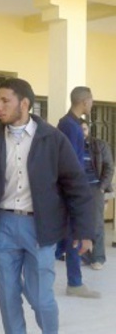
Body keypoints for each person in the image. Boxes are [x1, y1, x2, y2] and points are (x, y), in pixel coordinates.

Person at [0, 78, 94, 334]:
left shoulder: (53, 139)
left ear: (24, 103)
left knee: (41, 299)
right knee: (7, 296)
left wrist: (84, 230)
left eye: (5, 101)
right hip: (2, 227)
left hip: (40, 227)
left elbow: (76, 187)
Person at [56, 86, 101, 298]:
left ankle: (74, 281)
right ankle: (74, 282)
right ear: (84, 101)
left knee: (68, 236)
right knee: (73, 235)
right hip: (71, 190)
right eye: (91, 100)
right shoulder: (70, 126)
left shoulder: (69, 123)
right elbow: (71, 163)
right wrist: (78, 191)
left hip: (70, 188)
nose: (92, 104)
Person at [81, 119, 114, 270]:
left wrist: (101, 187)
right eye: (79, 129)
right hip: (77, 189)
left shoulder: (99, 145)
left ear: (89, 130)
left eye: (84, 129)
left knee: (96, 224)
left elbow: (108, 167)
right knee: (79, 222)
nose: (82, 132)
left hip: (95, 188)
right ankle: (84, 255)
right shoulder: (71, 145)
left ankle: (98, 257)